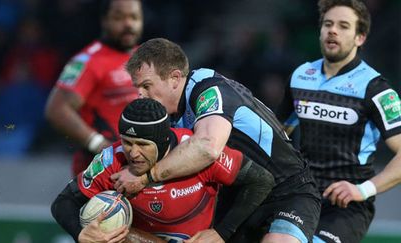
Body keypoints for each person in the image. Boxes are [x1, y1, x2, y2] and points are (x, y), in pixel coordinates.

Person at [111, 38, 321, 243]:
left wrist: (145, 178)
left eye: (147, 86)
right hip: (241, 199)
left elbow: (207, 147)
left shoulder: (209, 91)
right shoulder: (170, 117)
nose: (140, 95)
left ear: (175, 78)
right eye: (137, 88)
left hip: (289, 192)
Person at [51, 98, 270, 243]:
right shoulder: (111, 160)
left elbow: (261, 180)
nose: (133, 153)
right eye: (127, 142)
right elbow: (63, 203)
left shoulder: (197, 152)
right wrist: (81, 234)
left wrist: (222, 233)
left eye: (143, 145)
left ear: (164, 140)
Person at [276, 0, 401, 242]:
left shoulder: (376, 89)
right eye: (328, 24)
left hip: (347, 206)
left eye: (344, 26)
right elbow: (278, 135)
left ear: (360, 38)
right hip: (301, 195)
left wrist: (362, 190)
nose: (333, 30)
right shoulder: (300, 77)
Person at [45, 0, 143, 176]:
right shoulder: (87, 61)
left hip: (136, 168)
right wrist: (98, 144)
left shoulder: (144, 57)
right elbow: (56, 109)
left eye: (134, 17)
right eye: (119, 17)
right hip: (99, 172)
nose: (128, 24)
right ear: (104, 20)